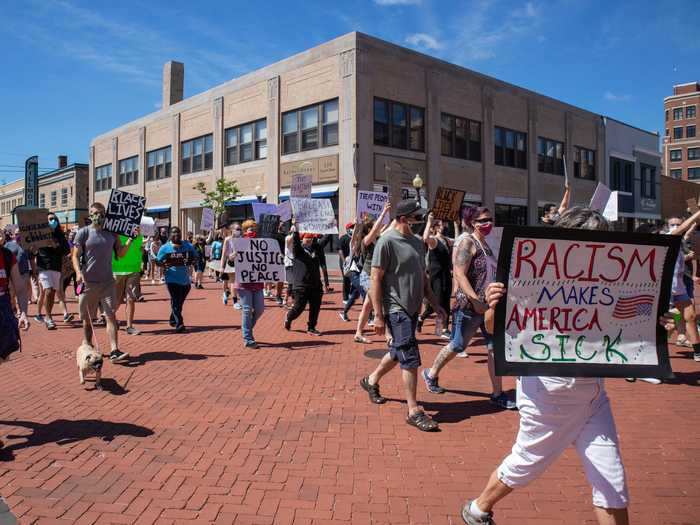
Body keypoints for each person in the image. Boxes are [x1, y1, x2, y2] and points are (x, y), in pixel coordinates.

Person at [359, 199, 446, 432]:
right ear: (403, 218)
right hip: (395, 308)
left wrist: (435, 304)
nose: (420, 221)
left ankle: (371, 380)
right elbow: (375, 279)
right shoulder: (386, 242)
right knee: (409, 355)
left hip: (413, 307)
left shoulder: (418, 243)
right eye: (416, 217)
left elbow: (423, 277)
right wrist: (378, 315)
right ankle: (413, 409)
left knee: (398, 351)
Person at [422, 206, 516, 410]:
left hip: (490, 307)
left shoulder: (488, 245)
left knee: (494, 349)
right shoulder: (467, 242)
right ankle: (430, 374)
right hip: (469, 307)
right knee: (457, 345)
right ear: (472, 223)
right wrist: (476, 301)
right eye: (482, 220)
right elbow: (459, 274)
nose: (487, 224)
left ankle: (497, 393)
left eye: (489, 219)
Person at [72, 203, 134, 363]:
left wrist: (129, 241)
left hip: (107, 282)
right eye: (94, 213)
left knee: (111, 315)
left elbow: (120, 254)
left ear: (105, 214)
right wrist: (78, 273)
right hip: (88, 282)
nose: (97, 216)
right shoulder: (83, 233)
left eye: (100, 213)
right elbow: (74, 255)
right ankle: (88, 345)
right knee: (87, 319)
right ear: (89, 214)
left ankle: (114, 350)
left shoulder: (112, 234)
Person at [353, 203, 392, 343]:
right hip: (367, 276)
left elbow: (385, 227)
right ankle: (388, 334)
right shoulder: (366, 241)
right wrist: (383, 212)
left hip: (373, 277)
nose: (377, 227)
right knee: (379, 304)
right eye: (373, 226)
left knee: (368, 305)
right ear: (369, 229)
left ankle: (358, 333)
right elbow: (377, 228)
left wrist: (391, 216)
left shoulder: (377, 239)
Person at [665, 211, 700, 361]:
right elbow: (685, 228)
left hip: (678, 286)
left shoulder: (680, 240)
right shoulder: (668, 236)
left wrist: (694, 224)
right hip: (667, 287)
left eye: (677, 224)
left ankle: (698, 352)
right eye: (672, 224)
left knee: (691, 316)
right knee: (667, 323)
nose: (675, 227)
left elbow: (688, 231)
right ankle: (653, 348)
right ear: (668, 226)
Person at [417, 213, 453, 337]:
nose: (445, 225)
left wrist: (457, 225)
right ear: (436, 227)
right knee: (436, 303)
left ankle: (443, 329)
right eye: (442, 223)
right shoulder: (434, 240)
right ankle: (423, 319)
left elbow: (458, 240)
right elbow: (425, 238)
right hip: (436, 275)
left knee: (446, 302)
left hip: (446, 275)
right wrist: (429, 221)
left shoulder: (447, 240)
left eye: (446, 223)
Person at [156, 226, 197, 332]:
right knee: (175, 301)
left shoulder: (187, 245)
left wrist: (192, 260)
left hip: (185, 280)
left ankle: (172, 319)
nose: (176, 234)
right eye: (174, 233)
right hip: (171, 279)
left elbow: (195, 256)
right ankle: (180, 324)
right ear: (170, 235)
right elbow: (157, 261)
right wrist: (163, 264)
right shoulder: (165, 248)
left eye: (178, 232)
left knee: (179, 303)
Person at [35, 213, 72, 330]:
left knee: (52, 294)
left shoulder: (60, 235)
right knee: (48, 291)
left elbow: (66, 250)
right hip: (44, 266)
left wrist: (56, 245)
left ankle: (48, 316)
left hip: (56, 267)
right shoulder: (39, 235)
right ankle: (48, 317)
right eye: (50, 219)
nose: (52, 221)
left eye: (54, 219)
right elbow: (32, 250)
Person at [284, 227, 324, 336]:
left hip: (316, 284)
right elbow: (295, 242)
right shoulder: (298, 251)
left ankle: (311, 327)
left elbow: (324, 238)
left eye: (312, 238)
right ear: (302, 239)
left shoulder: (317, 249)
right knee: (298, 308)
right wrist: (295, 229)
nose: (310, 240)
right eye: (308, 238)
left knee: (315, 307)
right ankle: (289, 317)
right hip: (301, 285)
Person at [235, 220, 265, 348]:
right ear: (244, 230)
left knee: (259, 309)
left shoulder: (262, 243)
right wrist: (233, 256)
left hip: (257, 282)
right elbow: (232, 259)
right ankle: (248, 338)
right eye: (249, 228)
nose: (251, 230)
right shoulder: (240, 242)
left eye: (253, 227)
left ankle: (247, 328)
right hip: (244, 282)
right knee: (247, 310)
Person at [112, 233, 144, 336]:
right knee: (117, 299)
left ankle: (129, 326)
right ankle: (111, 319)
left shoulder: (138, 234)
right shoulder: (115, 233)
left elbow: (139, 249)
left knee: (131, 298)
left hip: (133, 269)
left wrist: (141, 261)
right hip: (118, 270)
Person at [4, 228, 33, 319]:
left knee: (22, 293)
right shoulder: (8, 245)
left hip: (24, 273)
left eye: (20, 233)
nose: (18, 235)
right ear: (13, 235)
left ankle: (22, 312)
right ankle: (14, 308)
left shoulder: (27, 245)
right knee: (12, 295)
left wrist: (34, 271)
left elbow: (31, 258)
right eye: (16, 234)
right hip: (11, 275)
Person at [220, 222, 242, 308]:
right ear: (232, 230)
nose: (239, 231)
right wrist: (222, 267)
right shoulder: (228, 240)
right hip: (230, 263)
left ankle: (227, 293)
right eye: (237, 229)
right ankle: (235, 301)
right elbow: (224, 255)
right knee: (233, 282)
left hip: (240, 263)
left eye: (240, 229)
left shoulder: (242, 239)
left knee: (239, 283)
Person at [338, 222, 354, 304]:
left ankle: (351, 293)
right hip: (344, 262)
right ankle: (345, 297)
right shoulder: (343, 238)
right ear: (347, 229)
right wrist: (344, 261)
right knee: (346, 279)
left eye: (353, 227)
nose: (352, 228)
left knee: (355, 279)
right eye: (351, 227)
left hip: (353, 261)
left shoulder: (355, 237)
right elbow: (340, 251)